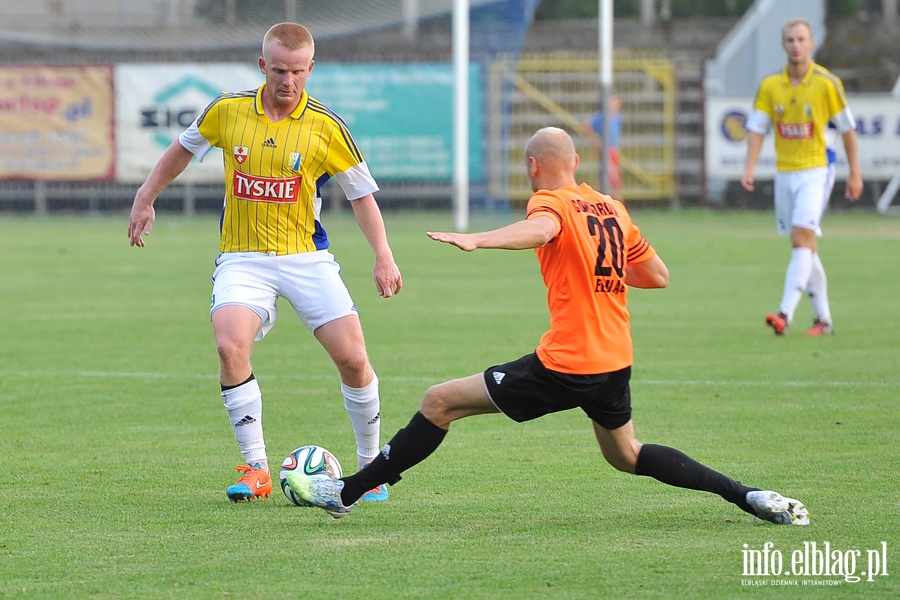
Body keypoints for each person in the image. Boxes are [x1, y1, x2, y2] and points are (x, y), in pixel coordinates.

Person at [291, 126, 808, 526]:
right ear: (576, 163)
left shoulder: (550, 202)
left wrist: (481, 239)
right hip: (614, 360)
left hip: (568, 362)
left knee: (438, 401)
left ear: (533, 166)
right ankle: (748, 495)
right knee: (626, 454)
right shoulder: (612, 207)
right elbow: (657, 275)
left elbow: (541, 229)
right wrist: (598, 267)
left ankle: (346, 492)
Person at [127, 22, 402, 503]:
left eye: (297, 71)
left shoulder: (327, 126)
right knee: (230, 347)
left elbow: (361, 196)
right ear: (263, 66)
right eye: (278, 70)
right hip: (243, 258)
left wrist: (383, 255)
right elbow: (182, 150)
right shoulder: (227, 111)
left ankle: (369, 468)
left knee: (354, 360)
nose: (288, 81)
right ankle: (255, 469)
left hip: (307, 258)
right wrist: (146, 196)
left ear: (310, 69)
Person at [741, 18, 863, 337]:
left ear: (811, 44)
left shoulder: (827, 83)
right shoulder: (771, 86)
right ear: (783, 45)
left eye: (801, 39)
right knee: (806, 245)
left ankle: (785, 313)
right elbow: (756, 128)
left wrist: (855, 174)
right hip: (785, 174)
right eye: (790, 40)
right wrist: (750, 166)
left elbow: (848, 131)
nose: (795, 45)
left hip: (817, 170)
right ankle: (824, 320)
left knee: (801, 237)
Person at [582, 93, 623, 199]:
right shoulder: (602, 117)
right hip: (606, 151)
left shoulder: (617, 116)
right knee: (614, 180)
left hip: (613, 150)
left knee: (604, 180)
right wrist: (596, 141)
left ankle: (595, 201)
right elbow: (587, 125)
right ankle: (619, 205)